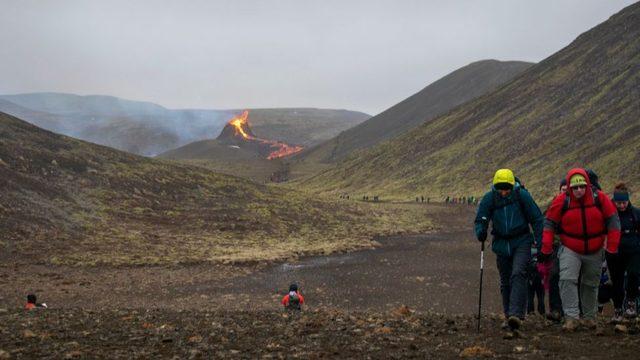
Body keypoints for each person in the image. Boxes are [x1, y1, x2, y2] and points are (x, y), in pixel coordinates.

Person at [539, 168, 620, 331]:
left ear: (588, 185)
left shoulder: (600, 198)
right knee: (567, 279)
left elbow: (613, 221)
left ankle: (589, 317)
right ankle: (571, 317)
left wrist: (612, 247)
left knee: (590, 283)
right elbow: (549, 223)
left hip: (595, 248)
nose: (579, 190)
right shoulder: (562, 201)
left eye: (582, 186)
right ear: (569, 187)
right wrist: (546, 248)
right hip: (570, 247)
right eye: (575, 187)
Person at [475, 169, 544, 332]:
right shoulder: (489, 198)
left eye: (507, 188)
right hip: (501, 244)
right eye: (501, 188)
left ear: (513, 186)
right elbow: (480, 219)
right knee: (505, 280)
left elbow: (537, 219)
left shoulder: (522, 196)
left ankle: (516, 314)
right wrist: (481, 232)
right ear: (495, 186)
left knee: (519, 273)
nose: (504, 192)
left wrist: (541, 243)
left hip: (521, 241)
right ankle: (508, 316)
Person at [606, 183, 640, 322]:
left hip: (633, 250)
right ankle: (618, 310)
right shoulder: (609, 214)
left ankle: (631, 302)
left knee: (633, 274)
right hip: (615, 252)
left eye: (624, 202)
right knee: (617, 281)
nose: (622, 206)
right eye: (619, 203)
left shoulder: (636, 213)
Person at [528, 245, 545, 315]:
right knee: (540, 296)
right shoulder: (541, 249)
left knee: (530, 296)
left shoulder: (527, 250)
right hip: (539, 277)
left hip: (531, 277)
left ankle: (531, 312)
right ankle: (541, 312)